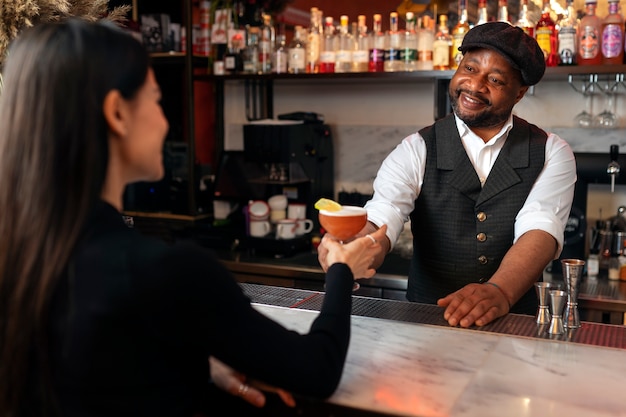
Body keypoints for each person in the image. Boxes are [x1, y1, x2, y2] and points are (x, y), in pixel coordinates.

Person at [0, 18, 389, 417]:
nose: (167, 121)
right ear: (117, 113)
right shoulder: (168, 272)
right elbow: (316, 370)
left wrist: (197, 363)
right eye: (155, 99)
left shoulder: (22, 258)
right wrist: (340, 272)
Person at [318, 22, 576, 329]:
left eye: (494, 79)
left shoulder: (551, 151)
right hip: (426, 325)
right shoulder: (416, 148)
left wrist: (500, 291)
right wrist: (353, 250)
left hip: (514, 327)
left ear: (520, 92)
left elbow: (540, 228)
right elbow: (384, 214)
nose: (475, 85)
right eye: (469, 68)